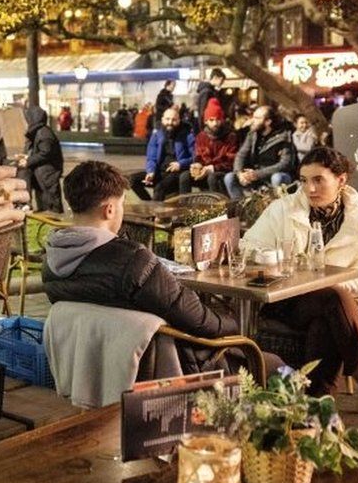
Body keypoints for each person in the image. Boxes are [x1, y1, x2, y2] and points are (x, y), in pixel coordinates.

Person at [243, 147, 358, 427]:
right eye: (304, 180)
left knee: (327, 318)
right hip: (288, 300)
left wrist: (326, 284)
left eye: (319, 180)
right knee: (335, 298)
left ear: (341, 180)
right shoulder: (282, 210)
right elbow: (249, 247)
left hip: (345, 306)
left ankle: (317, 409)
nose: (310, 188)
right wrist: (275, 262)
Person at [42, 161, 238, 340]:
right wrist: (237, 322)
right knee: (268, 361)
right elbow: (200, 321)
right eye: (122, 203)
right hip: (163, 365)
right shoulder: (132, 261)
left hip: (86, 358)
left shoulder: (51, 259)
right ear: (109, 210)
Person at [224, 105, 294, 199]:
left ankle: (276, 209)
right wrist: (240, 173)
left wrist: (258, 174)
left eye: (257, 118)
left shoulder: (284, 137)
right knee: (230, 177)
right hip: (254, 174)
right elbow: (241, 155)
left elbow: (285, 164)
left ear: (268, 122)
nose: (252, 120)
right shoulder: (253, 134)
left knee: (278, 178)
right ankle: (242, 208)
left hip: (272, 174)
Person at [130, 107, 194, 201]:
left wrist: (181, 164)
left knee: (160, 188)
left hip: (177, 172)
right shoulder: (157, 134)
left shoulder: (187, 133)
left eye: (174, 120)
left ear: (179, 120)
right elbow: (151, 156)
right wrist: (151, 172)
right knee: (133, 180)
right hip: (159, 170)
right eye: (167, 119)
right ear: (163, 119)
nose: (170, 122)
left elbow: (195, 156)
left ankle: (154, 213)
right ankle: (151, 206)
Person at [180, 99, 236, 195]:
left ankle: (217, 207)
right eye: (211, 120)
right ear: (206, 121)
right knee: (185, 176)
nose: (215, 123)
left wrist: (211, 168)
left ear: (222, 120)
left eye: (218, 119)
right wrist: (197, 165)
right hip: (204, 170)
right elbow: (198, 155)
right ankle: (184, 206)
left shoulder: (230, 136)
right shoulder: (201, 136)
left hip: (221, 171)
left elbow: (231, 161)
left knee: (212, 177)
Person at [18, 106, 63, 213]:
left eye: (27, 119)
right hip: (43, 172)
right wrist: (26, 157)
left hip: (48, 173)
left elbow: (45, 153)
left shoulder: (44, 133)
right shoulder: (38, 131)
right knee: (44, 199)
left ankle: (54, 220)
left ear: (33, 119)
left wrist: (28, 161)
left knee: (50, 201)